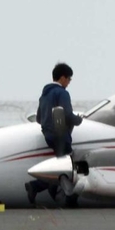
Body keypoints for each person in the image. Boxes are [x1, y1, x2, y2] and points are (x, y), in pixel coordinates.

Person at [25, 62, 83, 205]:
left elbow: (39, 118)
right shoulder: (61, 93)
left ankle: (52, 191)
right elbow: (68, 115)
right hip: (60, 135)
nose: (69, 83)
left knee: (62, 165)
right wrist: (79, 120)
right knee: (69, 168)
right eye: (69, 79)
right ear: (63, 78)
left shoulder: (44, 94)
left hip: (48, 135)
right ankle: (36, 187)